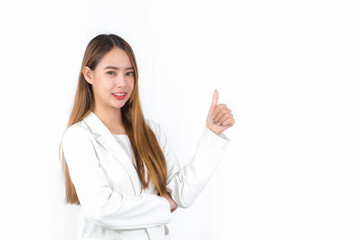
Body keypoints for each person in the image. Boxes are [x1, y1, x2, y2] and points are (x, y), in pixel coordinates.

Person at [59, 33, 235, 240]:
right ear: (89, 75)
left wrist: (212, 135)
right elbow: (101, 208)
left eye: (129, 73)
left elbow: (181, 193)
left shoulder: (151, 132)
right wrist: (163, 204)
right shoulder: (79, 136)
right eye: (111, 73)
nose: (122, 83)